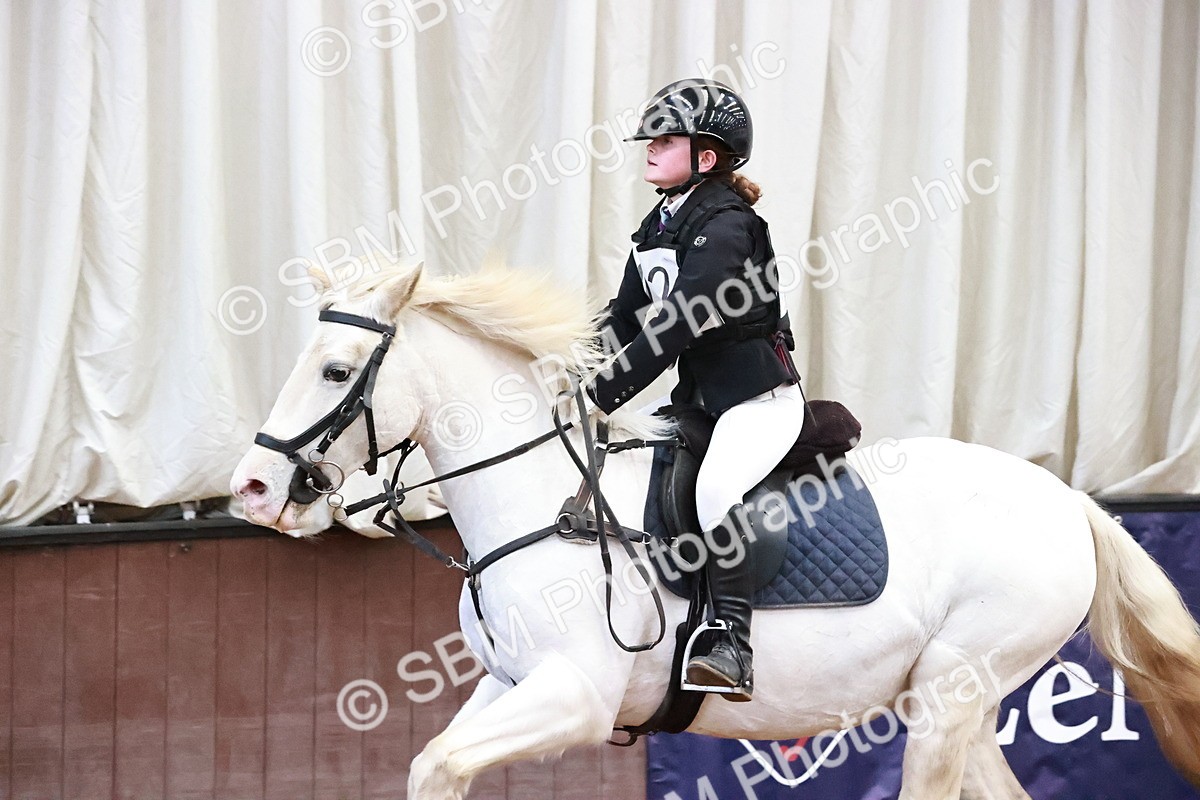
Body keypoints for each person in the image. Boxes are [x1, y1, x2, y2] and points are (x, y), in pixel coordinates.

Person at [587, 79, 805, 700]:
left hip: (757, 402)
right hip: (699, 405)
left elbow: (682, 319)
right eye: (649, 139)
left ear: (705, 158)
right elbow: (625, 318)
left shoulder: (731, 225)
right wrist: (562, 373)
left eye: (665, 140)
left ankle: (732, 641)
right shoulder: (659, 223)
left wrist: (602, 394)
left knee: (716, 491)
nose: (649, 149)